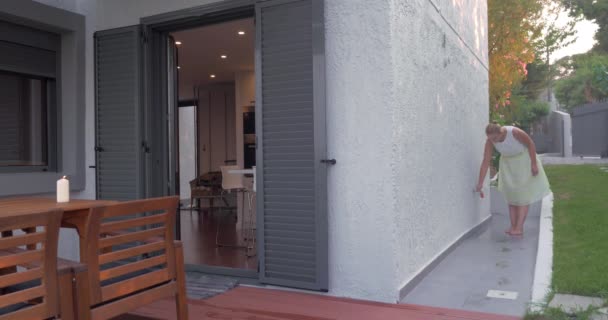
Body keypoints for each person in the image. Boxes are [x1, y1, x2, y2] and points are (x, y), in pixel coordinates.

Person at [476, 123, 551, 236]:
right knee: (511, 197)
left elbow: (530, 144)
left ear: (500, 132)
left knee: (522, 197)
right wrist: (480, 183)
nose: (493, 141)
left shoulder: (514, 132)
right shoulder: (490, 140)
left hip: (524, 161)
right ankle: (513, 227)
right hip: (508, 165)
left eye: (495, 138)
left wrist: (534, 164)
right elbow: (485, 162)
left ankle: (519, 228)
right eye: (490, 139)